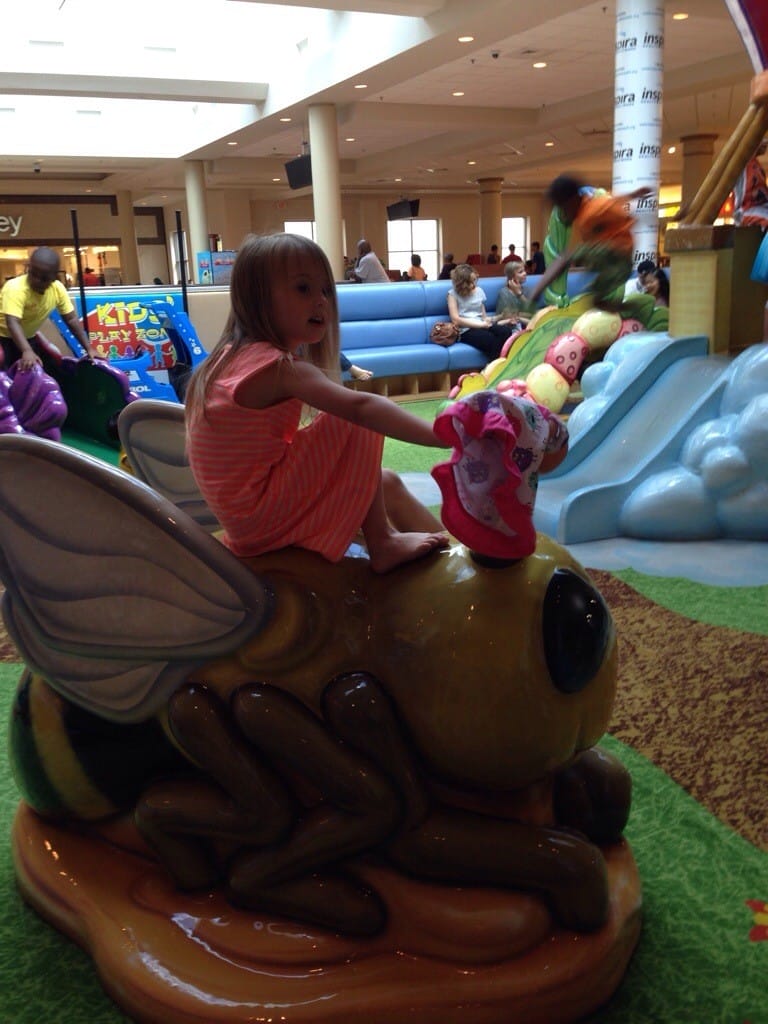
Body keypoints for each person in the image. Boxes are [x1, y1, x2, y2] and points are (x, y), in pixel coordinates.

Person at [185, 233, 449, 575]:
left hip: (246, 516)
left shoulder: (230, 357)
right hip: (259, 518)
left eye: (325, 290)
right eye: (303, 288)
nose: (321, 301)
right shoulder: (276, 367)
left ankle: (453, 560)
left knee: (385, 482)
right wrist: (445, 435)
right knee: (356, 414)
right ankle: (383, 540)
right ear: (258, 298)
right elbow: (361, 409)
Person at [531, 173, 653, 312]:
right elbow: (616, 200)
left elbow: (612, 203)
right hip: (616, 270)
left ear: (573, 200)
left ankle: (536, 292)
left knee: (566, 257)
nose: (564, 215)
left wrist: (632, 203)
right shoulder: (583, 215)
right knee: (596, 302)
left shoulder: (594, 209)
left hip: (618, 255)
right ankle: (631, 308)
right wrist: (634, 195)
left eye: (564, 208)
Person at [0, 246, 100, 370]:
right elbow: (13, 322)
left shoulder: (57, 289)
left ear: (53, 277)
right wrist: (26, 350)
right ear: (28, 269)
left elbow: (71, 319)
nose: (36, 280)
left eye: (44, 278)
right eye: (33, 274)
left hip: (28, 337)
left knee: (51, 365)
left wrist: (89, 348)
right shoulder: (15, 288)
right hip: (3, 338)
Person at [446, 263, 513, 360]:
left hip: (482, 324)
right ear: (462, 283)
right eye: (470, 282)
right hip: (466, 330)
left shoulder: (479, 291)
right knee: (490, 339)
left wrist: (501, 317)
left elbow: (484, 317)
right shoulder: (452, 295)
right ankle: (495, 365)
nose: (474, 284)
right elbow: (455, 320)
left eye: (474, 280)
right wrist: (481, 325)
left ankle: (493, 364)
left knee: (506, 331)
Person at [495, 262, 535, 329]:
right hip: (510, 328)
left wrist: (519, 293)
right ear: (512, 276)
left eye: (524, 270)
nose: (525, 273)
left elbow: (532, 312)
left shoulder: (527, 290)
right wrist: (522, 314)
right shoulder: (504, 292)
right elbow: (507, 316)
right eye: (520, 272)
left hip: (528, 325)